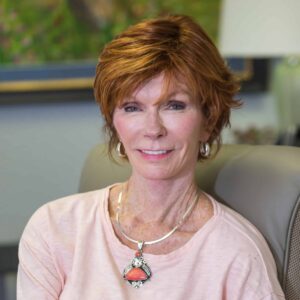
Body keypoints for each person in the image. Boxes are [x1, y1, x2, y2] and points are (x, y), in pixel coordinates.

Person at [17, 14, 285, 299]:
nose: (152, 129)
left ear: (208, 120)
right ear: (113, 121)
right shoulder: (53, 228)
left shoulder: (238, 252)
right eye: (132, 107)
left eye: (174, 105)